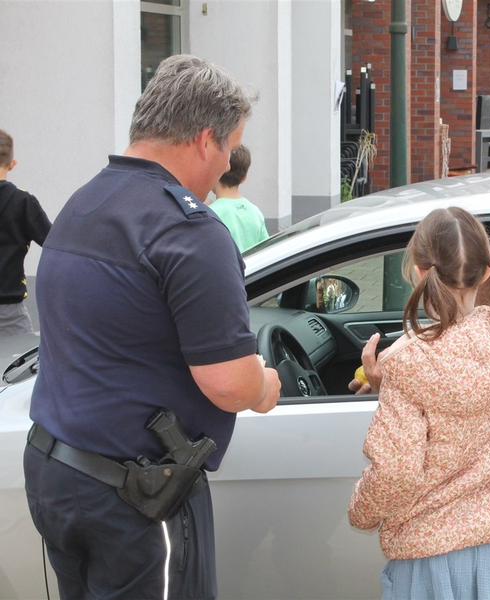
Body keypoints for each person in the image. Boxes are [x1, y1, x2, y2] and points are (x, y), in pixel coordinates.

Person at [23, 54, 281, 599]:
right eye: (230, 147)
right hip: (135, 496)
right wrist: (263, 386)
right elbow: (229, 383)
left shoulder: (85, 202)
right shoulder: (188, 231)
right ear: (206, 139)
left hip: (56, 472)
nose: (226, 164)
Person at [347, 206, 490, 600]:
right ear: (486, 272)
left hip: (430, 560)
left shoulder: (409, 363)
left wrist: (360, 511)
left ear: (418, 270)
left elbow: (397, 471)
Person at [0, 129, 51, 337]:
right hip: (10, 311)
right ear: (12, 164)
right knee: (17, 368)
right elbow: (54, 243)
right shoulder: (23, 202)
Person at [208, 143, 269, 252]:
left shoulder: (211, 213)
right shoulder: (255, 212)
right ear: (244, 178)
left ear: (215, 171)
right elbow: (266, 249)